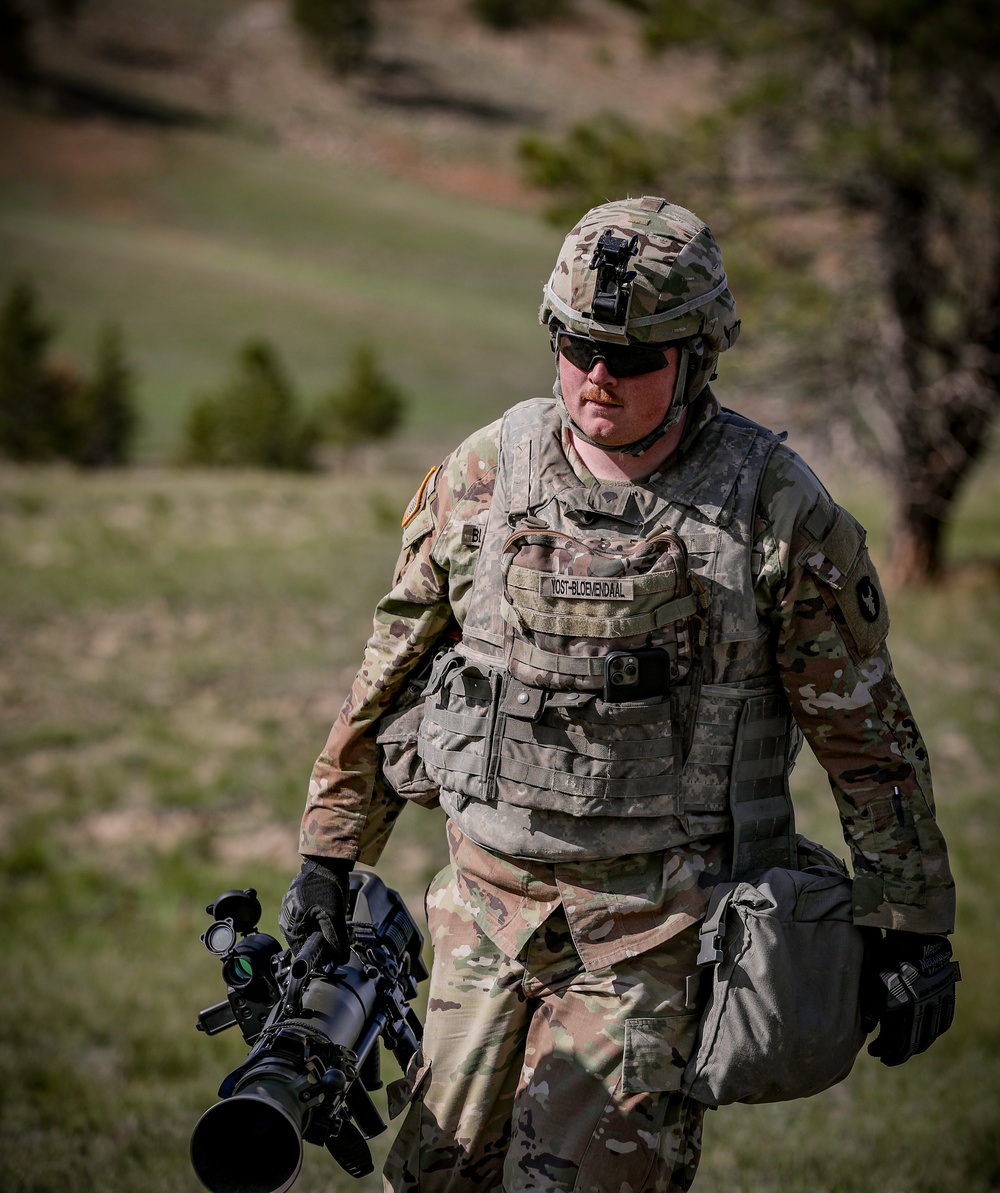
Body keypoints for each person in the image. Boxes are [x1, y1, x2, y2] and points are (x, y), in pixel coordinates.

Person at [280, 196, 958, 1193]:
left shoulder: (773, 506)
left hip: (656, 933)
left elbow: (864, 730)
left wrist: (910, 919)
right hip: (483, 912)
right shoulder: (482, 473)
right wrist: (329, 857)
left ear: (695, 356)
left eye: (633, 358)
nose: (599, 376)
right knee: (429, 1177)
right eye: (577, 344)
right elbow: (387, 675)